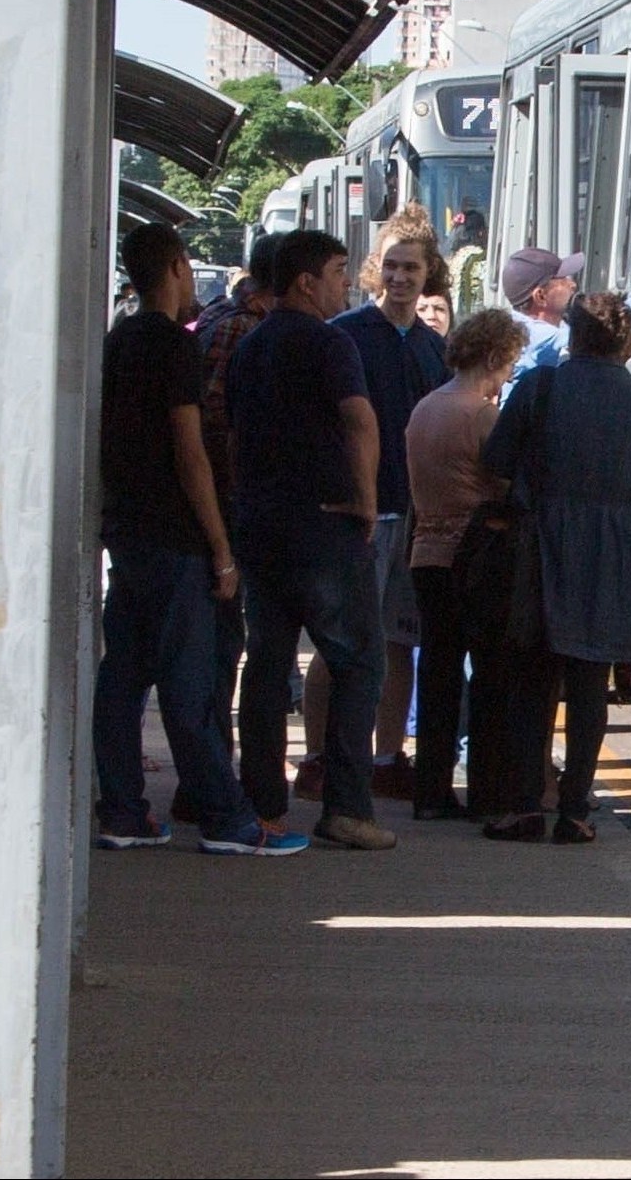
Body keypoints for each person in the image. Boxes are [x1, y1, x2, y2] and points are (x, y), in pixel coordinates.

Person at [94, 223, 308, 856]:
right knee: (191, 684)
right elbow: (189, 450)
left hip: (128, 531)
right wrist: (219, 545)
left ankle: (124, 810)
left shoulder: (116, 342)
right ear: (180, 266)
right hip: (176, 535)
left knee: (124, 676)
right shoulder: (172, 348)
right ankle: (227, 818)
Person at [480, 292, 631, 843]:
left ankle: (527, 806)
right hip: (614, 553)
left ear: (573, 336)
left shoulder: (539, 388)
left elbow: (496, 461)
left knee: (532, 682)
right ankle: (575, 809)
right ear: (626, 342)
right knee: (591, 683)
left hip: (540, 547)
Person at [227, 229, 396, 851]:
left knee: (268, 666)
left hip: (261, 524)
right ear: (306, 281)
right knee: (358, 661)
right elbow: (359, 420)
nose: (345, 283)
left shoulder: (250, 346)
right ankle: (347, 808)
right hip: (324, 527)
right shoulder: (331, 343)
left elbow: (236, 436)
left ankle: (263, 808)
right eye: (338, 271)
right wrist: (367, 502)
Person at [330, 236, 449, 798]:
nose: (400, 278)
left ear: (429, 276)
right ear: (378, 272)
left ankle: (385, 756)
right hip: (362, 514)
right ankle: (323, 758)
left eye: (412, 269)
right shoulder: (346, 335)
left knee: (400, 640)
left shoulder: (434, 348)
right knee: (345, 638)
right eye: (393, 267)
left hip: (417, 515)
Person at [406, 308, 526, 819]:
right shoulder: (481, 415)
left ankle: (430, 792)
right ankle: (486, 791)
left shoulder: (425, 408)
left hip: (425, 554)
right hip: (474, 558)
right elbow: (502, 484)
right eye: (509, 361)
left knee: (437, 673)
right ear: (495, 357)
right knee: (489, 675)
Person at [177, 230, 282, 811]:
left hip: (209, 510)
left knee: (214, 649)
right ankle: (209, 785)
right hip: (224, 510)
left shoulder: (217, 316)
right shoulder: (246, 331)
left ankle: (207, 780)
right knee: (220, 650)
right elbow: (216, 430)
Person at [501, 247, 582, 394]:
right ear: (541, 296)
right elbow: (602, 336)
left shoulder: (512, 323)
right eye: (562, 280)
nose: (572, 284)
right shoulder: (534, 335)